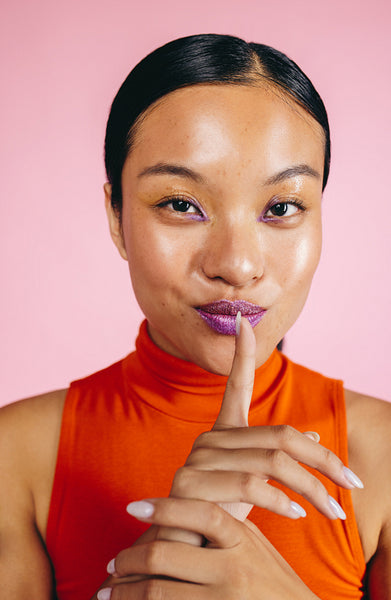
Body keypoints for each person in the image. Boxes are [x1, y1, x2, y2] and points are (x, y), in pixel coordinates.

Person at [1, 34, 390, 600]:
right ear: (117, 219)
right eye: (181, 204)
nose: (235, 265)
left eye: (282, 208)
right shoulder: (16, 457)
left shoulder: (383, 455)